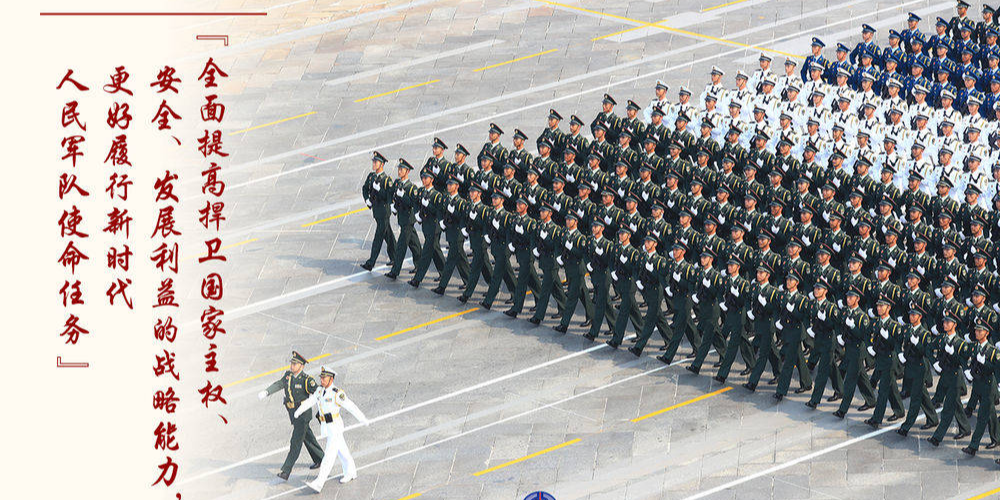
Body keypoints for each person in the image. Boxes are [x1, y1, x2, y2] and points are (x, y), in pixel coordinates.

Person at [294, 366, 370, 491]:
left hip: (335, 427)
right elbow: (310, 401)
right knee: (342, 451)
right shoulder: (319, 391)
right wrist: (298, 411)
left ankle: (319, 483)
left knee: (328, 456)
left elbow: (351, 407)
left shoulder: (337, 393)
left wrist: (363, 419)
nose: (322, 380)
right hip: (327, 427)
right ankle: (351, 472)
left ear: (331, 379)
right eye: (321, 378)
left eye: (324, 378)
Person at [258, 351, 324, 480]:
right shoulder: (288, 376)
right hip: (292, 413)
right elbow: (279, 384)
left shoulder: (306, 380)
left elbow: (318, 393)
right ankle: (321, 458)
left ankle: (286, 471)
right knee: (307, 437)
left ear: (302, 366)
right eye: (292, 363)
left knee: (295, 442)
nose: (292, 366)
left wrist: (324, 409)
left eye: (295, 364)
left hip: (303, 415)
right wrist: (267, 392)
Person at [361, 151, 396, 271]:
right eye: (373, 161)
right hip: (376, 210)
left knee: (378, 237)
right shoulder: (371, 176)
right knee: (388, 234)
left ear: (381, 164)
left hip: (384, 212)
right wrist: (367, 200)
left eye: (376, 162)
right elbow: (365, 188)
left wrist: (379, 190)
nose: (373, 163)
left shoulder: (387, 180)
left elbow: (388, 196)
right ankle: (395, 257)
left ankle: (371, 262)